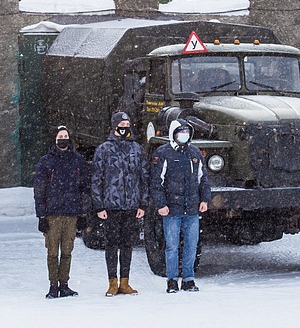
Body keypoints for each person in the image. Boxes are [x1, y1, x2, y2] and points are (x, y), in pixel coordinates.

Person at [150, 119, 211, 293]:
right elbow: (156, 182)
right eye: (180, 132)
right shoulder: (163, 153)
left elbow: (203, 179)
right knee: (172, 246)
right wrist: (160, 204)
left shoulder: (195, 153)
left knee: (191, 245)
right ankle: (171, 280)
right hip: (172, 209)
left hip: (192, 208)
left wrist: (204, 200)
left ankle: (188, 279)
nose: (183, 136)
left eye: (186, 132)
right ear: (173, 134)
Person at [91, 111, 148, 297]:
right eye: (122, 125)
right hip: (111, 206)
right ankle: (112, 282)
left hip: (131, 206)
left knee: (127, 244)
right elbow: (96, 179)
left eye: (127, 125)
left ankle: (125, 282)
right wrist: (99, 206)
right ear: (114, 126)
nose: (125, 128)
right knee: (111, 244)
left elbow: (144, 178)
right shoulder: (104, 149)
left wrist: (143, 204)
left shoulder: (137, 149)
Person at [33, 125, 89, 299]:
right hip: (52, 214)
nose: (63, 138)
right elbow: (39, 189)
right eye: (60, 136)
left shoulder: (78, 160)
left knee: (67, 251)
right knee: (52, 252)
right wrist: (41, 215)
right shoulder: (46, 161)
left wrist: (83, 214)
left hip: (71, 213)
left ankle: (64, 284)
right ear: (55, 139)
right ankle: (53, 285)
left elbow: (84, 188)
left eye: (65, 135)